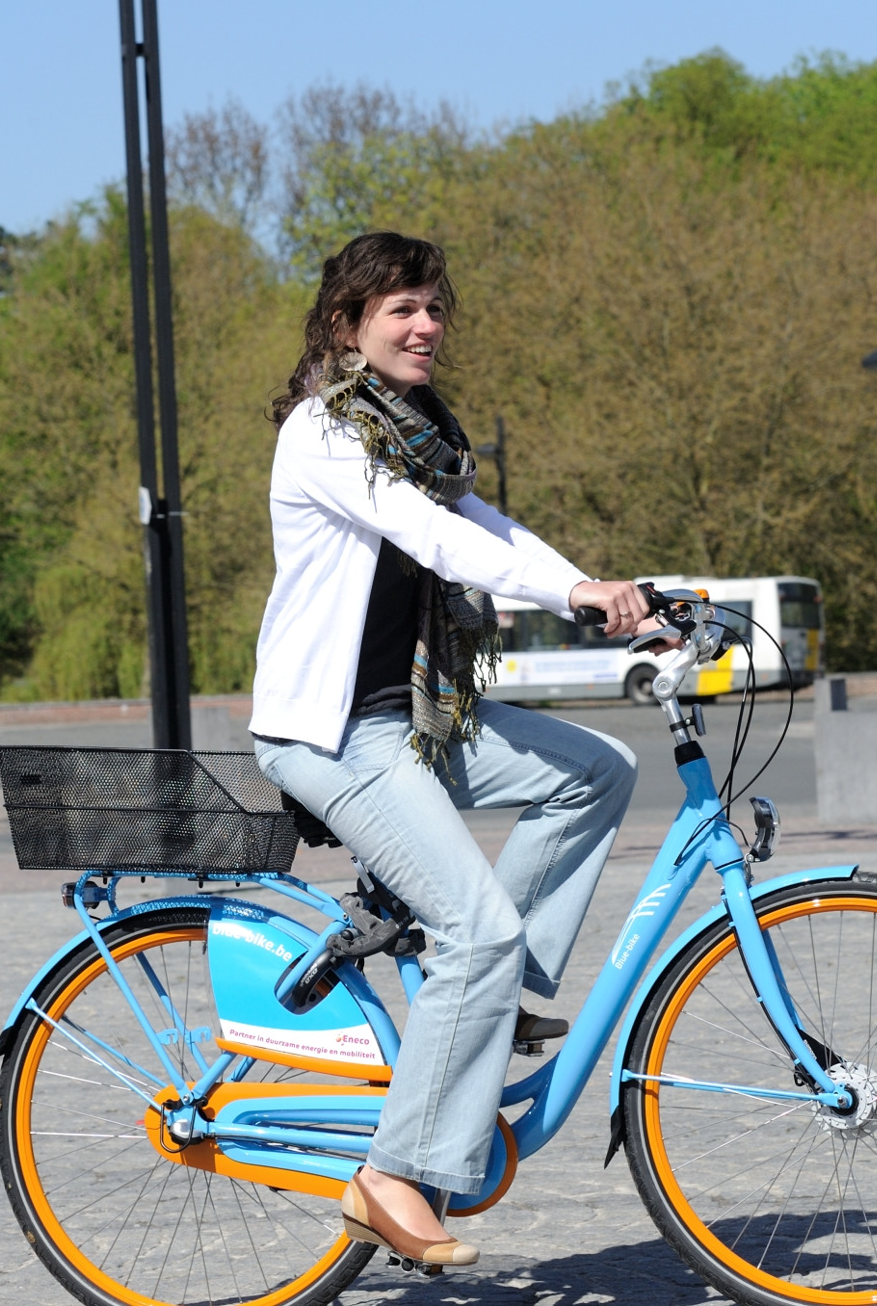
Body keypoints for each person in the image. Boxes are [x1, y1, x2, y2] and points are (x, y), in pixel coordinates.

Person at [250, 231, 656, 1269]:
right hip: (334, 732)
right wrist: (568, 595)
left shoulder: (417, 435)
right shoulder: (325, 433)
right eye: (401, 309)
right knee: (471, 927)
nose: (426, 325)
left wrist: (616, 598)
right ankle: (392, 1176)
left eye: (433, 307)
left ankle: (494, 995)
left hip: (418, 719)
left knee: (595, 770)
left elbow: (489, 527)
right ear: (348, 326)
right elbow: (430, 537)